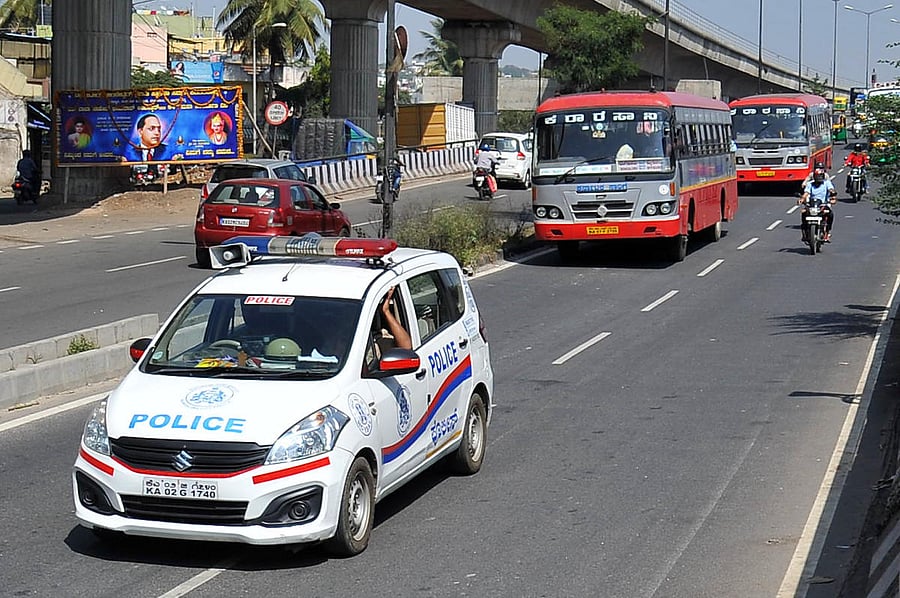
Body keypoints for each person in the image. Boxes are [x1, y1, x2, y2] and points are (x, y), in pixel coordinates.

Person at [798, 167, 837, 242]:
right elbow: (806, 193)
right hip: (812, 205)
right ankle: (805, 232)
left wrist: (832, 195)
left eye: (820, 176)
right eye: (816, 176)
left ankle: (827, 233)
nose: (818, 178)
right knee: (804, 213)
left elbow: (831, 189)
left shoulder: (827, 183)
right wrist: (802, 199)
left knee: (830, 214)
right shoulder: (810, 184)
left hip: (823, 205)